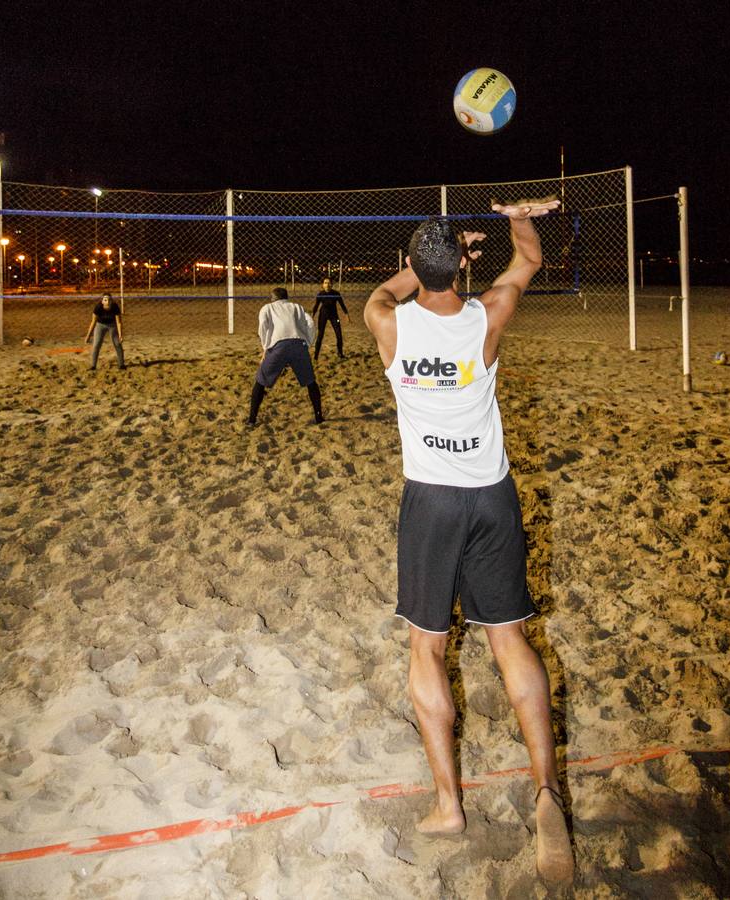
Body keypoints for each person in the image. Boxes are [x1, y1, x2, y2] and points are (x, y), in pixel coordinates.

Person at [364, 201, 574, 885]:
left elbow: (384, 292)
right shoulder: (486, 316)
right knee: (509, 640)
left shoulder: (386, 323)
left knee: (426, 646)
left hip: (429, 501)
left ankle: (449, 804)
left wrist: (428, 258)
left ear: (411, 266)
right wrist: (516, 217)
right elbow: (530, 262)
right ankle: (546, 791)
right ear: (461, 265)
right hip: (490, 496)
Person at [248, 287, 324, 426]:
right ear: (286, 297)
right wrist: (308, 342)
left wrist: (265, 347)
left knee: (260, 381)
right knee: (310, 382)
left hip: (278, 346)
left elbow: (263, 327)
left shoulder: (267, 308)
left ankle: (251, 420)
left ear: (273, 298)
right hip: (298, 344)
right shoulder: (297, 307)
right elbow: (311, 323)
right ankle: (319, 417)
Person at [85, 292, 125, 370]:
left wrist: (120, 335)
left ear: (112, 301)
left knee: (117, 343)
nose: (108, 301)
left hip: (112, 325)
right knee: (96, 344)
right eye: (105, 300)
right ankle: (93, 365)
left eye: (109, 300)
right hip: (100, 325)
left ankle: (121, 364)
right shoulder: (98, 307)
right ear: (102, 301)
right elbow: (93, 322)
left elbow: (119, 322)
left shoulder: (115, 307)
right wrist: (88, 336)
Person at [312, 277, 350, 360]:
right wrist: (312, 316)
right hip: (323, 316)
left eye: (329, 283)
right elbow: (316, 306)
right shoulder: (320, 294)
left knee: (339, 335)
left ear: (332, 284)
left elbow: (342, 305)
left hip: (334, 316)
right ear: (323, 285)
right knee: (320, 336)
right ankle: (316, 356)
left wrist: (347, 315)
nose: (327, 284)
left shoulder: (336, 293)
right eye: (325, 283)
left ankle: (340, 354)